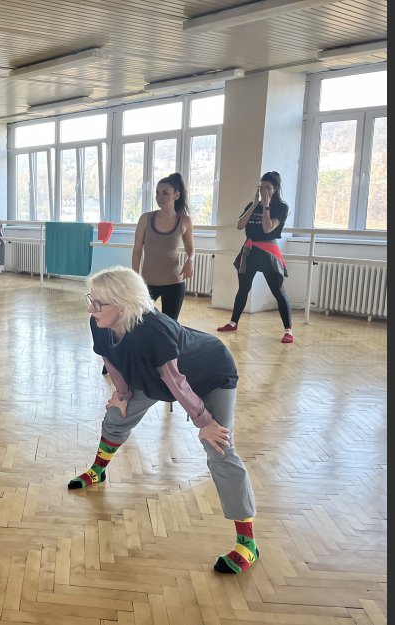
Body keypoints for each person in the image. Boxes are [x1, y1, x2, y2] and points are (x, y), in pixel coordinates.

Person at [69, 266, 259, 575]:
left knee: (220, 448)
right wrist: (122, 393)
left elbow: (177, 382)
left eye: (99, 303)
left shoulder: (153, 330)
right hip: (156, 377)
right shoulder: (100, 323)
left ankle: (247, 544)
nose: (91, 309)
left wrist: (205, 423)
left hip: (210, 373)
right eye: (91, 300)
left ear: (124, 304)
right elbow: (110, 359)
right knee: (117, 415)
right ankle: (98, 471)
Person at [217, 171, 294, 343]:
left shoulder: (281, 207)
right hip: (250, 251)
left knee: (278, 291)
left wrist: (266, 206)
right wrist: (254, 205)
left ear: (275, 188)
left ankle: (288, 330)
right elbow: (239, 225)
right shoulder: (253, 205)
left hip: (268, 251)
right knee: (243, 288)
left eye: (268, 188)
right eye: (261, 187)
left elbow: (267, 228)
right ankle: (233, 322)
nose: (264, 191)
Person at [131, 172, 196, 321]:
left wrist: (190, 260)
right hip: (147, 283)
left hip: (174, 282)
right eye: (158, 193)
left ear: (176, 195)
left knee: (170, 326)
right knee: (138, 321)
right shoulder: (145, 218)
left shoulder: (185, 221)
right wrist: (135, 278)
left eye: (165, 193)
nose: (160, 197)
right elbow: (137, 251)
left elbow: (191, 249)